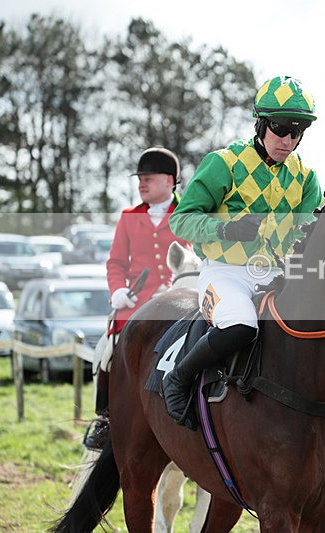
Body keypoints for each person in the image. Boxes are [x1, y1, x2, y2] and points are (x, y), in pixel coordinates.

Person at [164, 75, 323, 428]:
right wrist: (225, 228)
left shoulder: (306, 177)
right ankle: (178, 379)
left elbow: (309, 232)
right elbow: (181, 220)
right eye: (281, 128)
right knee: (241, 326)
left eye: (297, 132)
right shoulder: (224, 163)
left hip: (278, 277)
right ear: (261, 123)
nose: (288, 140)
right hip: (225, 272)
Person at [83, 146, 192, 450]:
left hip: (180, 303)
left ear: (170, 180)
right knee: (105, 351)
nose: (142, 184)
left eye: (149, 178)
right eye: (140, 179)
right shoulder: (129, 216)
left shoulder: (187, 215)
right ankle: (105, 419)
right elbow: (116, 262)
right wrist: (117, 289)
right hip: (134, 304)